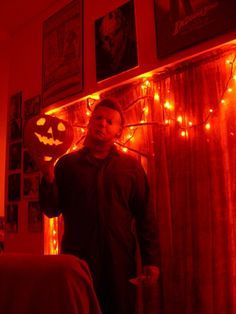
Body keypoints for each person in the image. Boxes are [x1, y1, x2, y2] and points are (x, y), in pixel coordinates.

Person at [39, 98, 160, 314]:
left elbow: (145, 216)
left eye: (109, 121)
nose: (102, 123)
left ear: (119, 131)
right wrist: (48, 179)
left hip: (120, 262)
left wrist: (151, 260)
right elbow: (51, 210)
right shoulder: (67, 165)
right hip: (78, 262)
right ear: (89, 123)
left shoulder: (131, 168)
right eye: (98, 118)